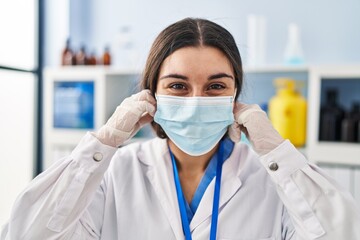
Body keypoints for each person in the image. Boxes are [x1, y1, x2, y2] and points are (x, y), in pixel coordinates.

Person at [1, 18, 360, 240]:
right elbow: (25, 234)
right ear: (150, 94)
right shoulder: (115, 174)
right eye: (177, 86)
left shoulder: (273, 180)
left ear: (236, 95)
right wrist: (103, 142)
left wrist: (277, 152)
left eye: (216, 87)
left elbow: (344, 233)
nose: (195, 100)